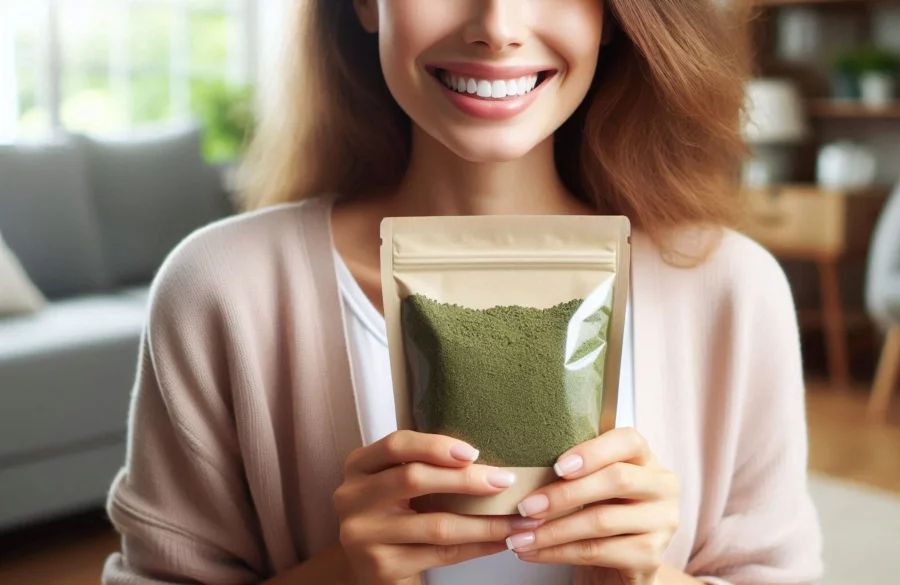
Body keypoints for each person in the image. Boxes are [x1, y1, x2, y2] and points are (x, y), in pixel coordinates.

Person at [102, 1, 823, 584]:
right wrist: (344, 574)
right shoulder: (223, 290)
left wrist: (649, 578)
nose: (497, 26)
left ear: (615, 16)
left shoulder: (730, 290)